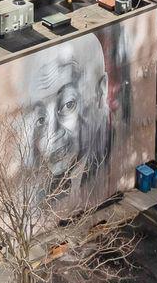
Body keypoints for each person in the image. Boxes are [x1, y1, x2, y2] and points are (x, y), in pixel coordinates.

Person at [16, 33, 112, 193]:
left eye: (68, 104)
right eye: (41, 119)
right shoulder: (43, 183)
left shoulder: (109, 157)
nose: (50, 134)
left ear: (101, 92)